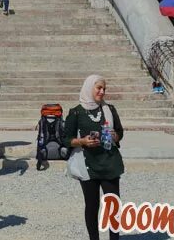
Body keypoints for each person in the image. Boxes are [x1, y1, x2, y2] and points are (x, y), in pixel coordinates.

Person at [63, 75, 125, 240]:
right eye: (99, 88)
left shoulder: (109, 110)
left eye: (104, 89)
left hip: (109, 163)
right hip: (87, 165)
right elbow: (65, 139)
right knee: (92, 206)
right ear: (89, 88)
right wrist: (82, 141)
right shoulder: (76, 112)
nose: (102, 92)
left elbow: (120, 132)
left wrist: (115, 137)